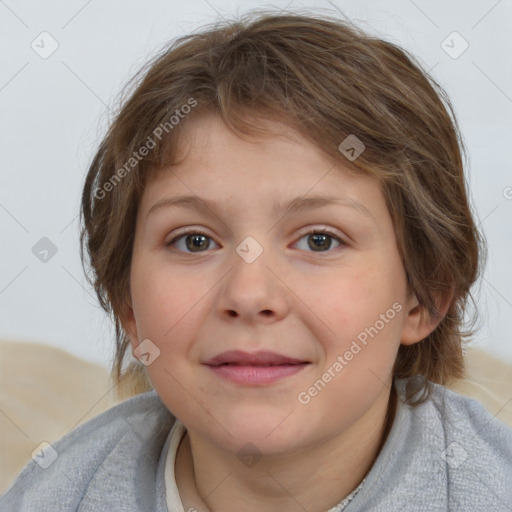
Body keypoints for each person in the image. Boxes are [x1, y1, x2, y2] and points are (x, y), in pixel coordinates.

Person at [2, 9, 511, 512]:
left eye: (318, 241)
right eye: (194, 241)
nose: (249, 295)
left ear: (425, 293)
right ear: (128, 305)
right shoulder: (56, 493)